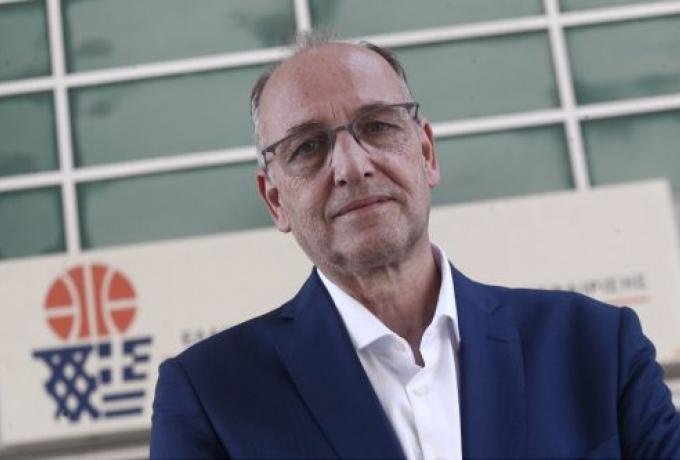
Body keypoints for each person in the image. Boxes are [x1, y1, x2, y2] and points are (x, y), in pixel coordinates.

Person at [150, 35, 680, 458]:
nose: (352, 165)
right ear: (275, 201)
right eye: (307, 147)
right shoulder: (210, 395)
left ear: (426, 153)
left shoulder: (595, 347)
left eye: (377, 126)